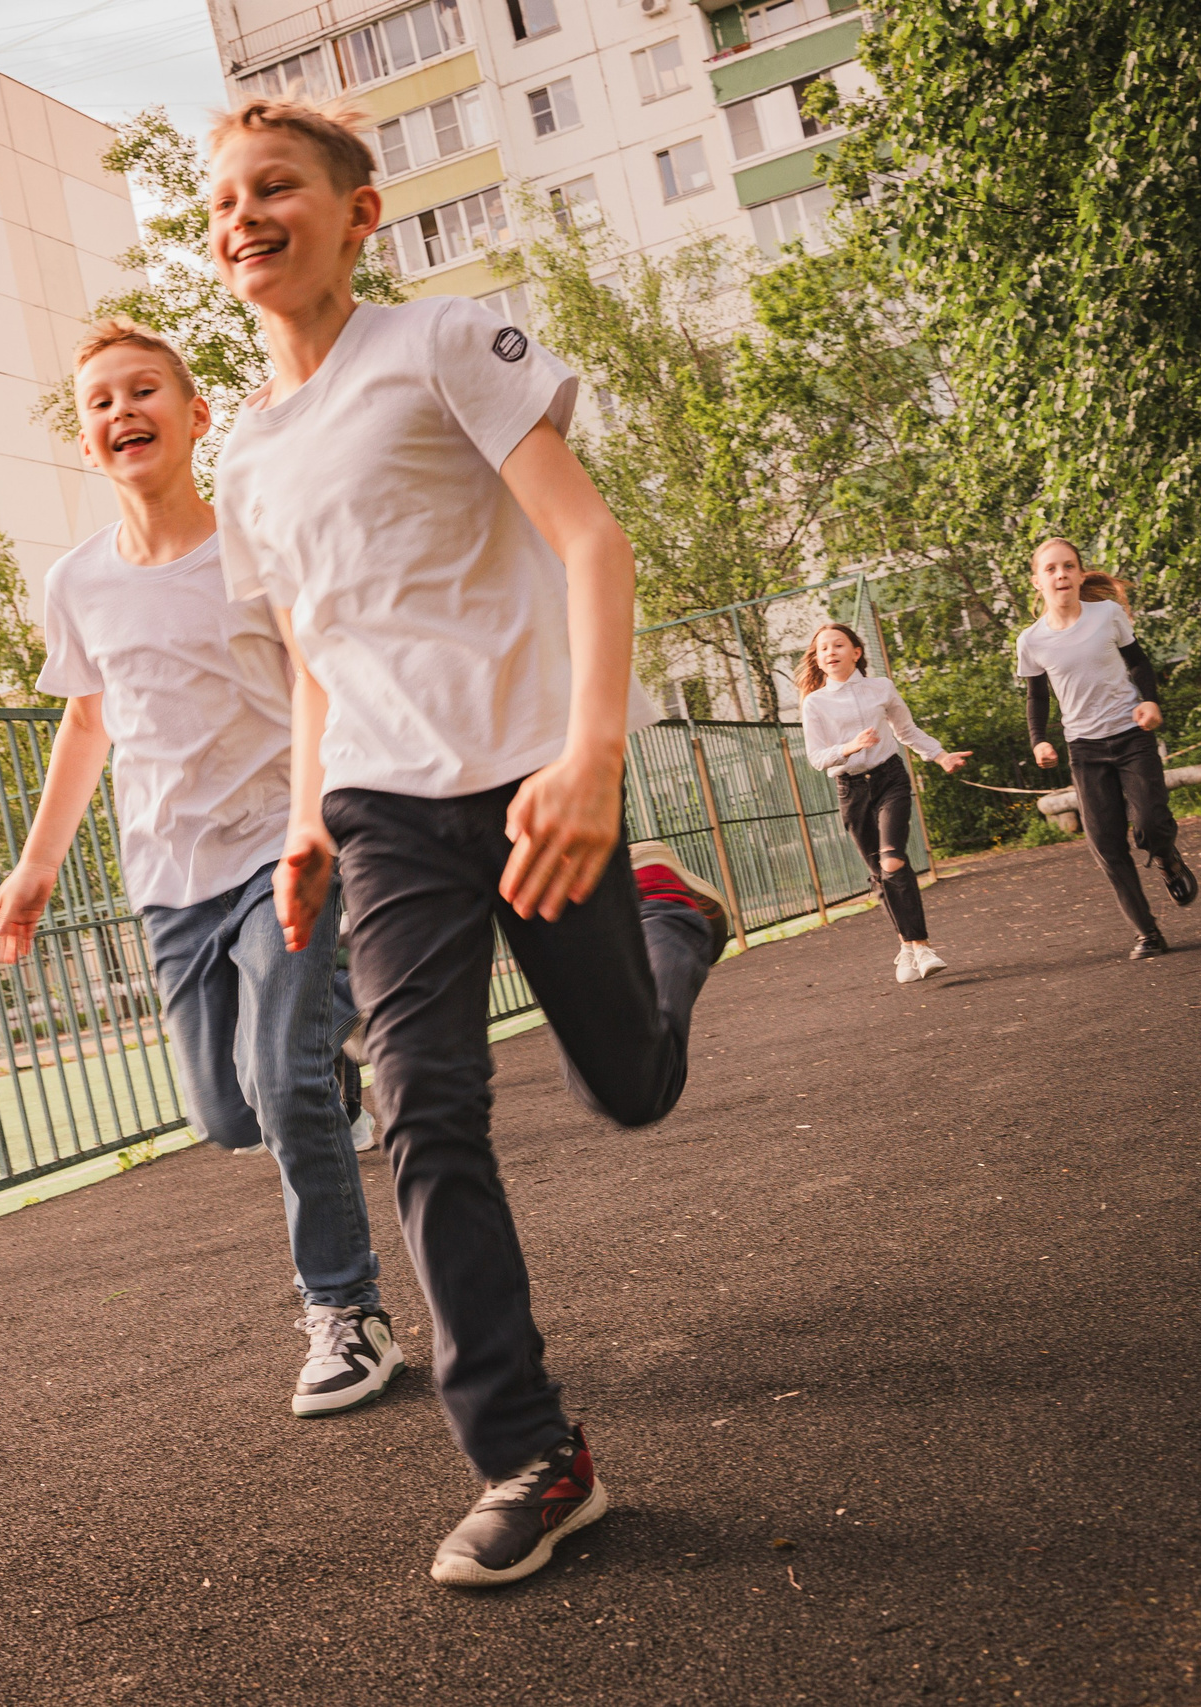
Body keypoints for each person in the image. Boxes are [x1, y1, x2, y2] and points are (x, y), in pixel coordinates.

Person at [205, 97, 731, 1588]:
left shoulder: (439, 345)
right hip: (382, 811)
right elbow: (312, 648)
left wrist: (593, 753)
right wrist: (308, 814)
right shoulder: (243, 454)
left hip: (534, 779)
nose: (246, 216)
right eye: (223, 201)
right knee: (426, 1104)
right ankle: (531, 1453)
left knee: (629, 1086)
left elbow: (590, 539)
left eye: (278, 187)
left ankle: (671, 921)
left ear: (356, 213)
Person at [0, 317, 403, 1421]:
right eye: (101, 402)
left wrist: (316, 823)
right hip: (170, 881)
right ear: (85, 441)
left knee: (283, 1084)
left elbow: (320, 679)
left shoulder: (253, 546)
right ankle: (321, 1061)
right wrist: (34, 870)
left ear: (195, 414)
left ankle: (346, 1314)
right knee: (227, 1112)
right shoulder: (77, 584)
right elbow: (84, 724)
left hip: (281, 849)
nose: (123, 411)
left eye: (144, 391)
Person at [1017, 537, 1200, 957]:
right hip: (1084, 748)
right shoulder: (1031, 640)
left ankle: (1168, 858)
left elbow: (1138, 662)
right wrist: (1039, 739)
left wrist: (1150, 700)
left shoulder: (1107, 615)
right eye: (1051, 569)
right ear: (1037, 581)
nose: (1060, 574)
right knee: (1106, 844)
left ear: (1081, 575)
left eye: (1068, 567)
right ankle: (1147, 934)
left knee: (1150, 823)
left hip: (1131, 734)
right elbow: (1037, 696)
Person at [795, 621, 970, 981]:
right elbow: (816, 757)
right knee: (878, 873)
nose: (830, 652)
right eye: (823, 648)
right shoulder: (815, 703)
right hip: (851, 790)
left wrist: (940, 756)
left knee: (892, 861)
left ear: (856, 652)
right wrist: (850, 747)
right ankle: (906, 947)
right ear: (817, 658)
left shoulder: (881, 687)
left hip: (889, 778)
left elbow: (905, 731)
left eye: (838, 645)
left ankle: (921, 947)